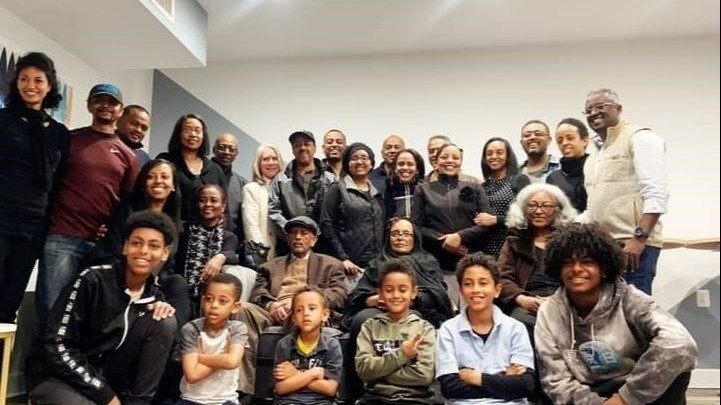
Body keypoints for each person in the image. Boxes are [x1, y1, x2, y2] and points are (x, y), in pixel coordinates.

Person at [27, 210, 179, 404]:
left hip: (103, 379)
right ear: (125, 246)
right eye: (136, 243)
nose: (143, 251)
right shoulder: (92, 279)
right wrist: (105, 395)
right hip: (58, 376)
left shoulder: (154, 297)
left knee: (164, 321)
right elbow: (56, 345)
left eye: (154, 246)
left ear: (165, 253)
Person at [535, 223, 697, 404]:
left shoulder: (631, 299)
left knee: (675, 367)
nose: (577, 269)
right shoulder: (549, 311)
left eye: (587, 262)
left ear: (604, 269)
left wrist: (625, 399)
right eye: (568, 263)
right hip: (589, 390)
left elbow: (679, 343)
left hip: (636, 385)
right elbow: (556, 380)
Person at [37, 83, 138, 325]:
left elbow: (127, 204)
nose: (105, 106)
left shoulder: (128, 155)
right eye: (99, 100)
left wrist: (111, 231)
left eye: (112, 102)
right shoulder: (70, 140)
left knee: (90, 316)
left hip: (100, 247)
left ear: (120, 110)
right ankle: (45, 352)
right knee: (52, 310)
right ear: (90, 105)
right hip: (61, 237)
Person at [234, 216, 346, 396]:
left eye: (304, 233)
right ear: (287, 238)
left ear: (314, 240)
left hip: (305, 310)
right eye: (293, 233)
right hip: (274, 310)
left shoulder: (331, 264)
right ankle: (244, 390)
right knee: (243, 309)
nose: (298, 237)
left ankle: (287, 386)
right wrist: (272, 305)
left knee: (299, 314)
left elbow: (338, 295)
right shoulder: (269, 266)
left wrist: (297, 303)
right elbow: (258, 295)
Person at [0, 52, 70, 324]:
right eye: (24, 79)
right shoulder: (3, 120)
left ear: (49, 85)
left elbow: (59, 181)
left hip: (34, 225)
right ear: (16, 82)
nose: (30, 85)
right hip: (2, 216)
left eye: (38, 80)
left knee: (11, 297)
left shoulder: (59, 133)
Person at [580, 88, 669, 295]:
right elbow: (593, 207)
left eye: (600, 106)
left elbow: (656, 194)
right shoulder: (594, 155)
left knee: (634, 309)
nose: (594, 113)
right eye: (589, 110)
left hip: (633, 246)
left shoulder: (640, 137)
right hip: (602, 248)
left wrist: (639, 239)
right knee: (605, 310)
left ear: (618, 108)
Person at [436, 253, 536, 404]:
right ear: (461, 290)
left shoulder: (516, 328)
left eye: (483, 283)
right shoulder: (448, 330)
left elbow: (526, 385)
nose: (476, 289)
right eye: (468, 284)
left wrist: (475, 377)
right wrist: (505, 381)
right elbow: (450, 388)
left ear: (497, 290)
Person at [412, 143, 491, 303]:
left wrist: (459, 237)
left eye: (455, 157)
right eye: (444, 157)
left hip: (471, 261)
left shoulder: (475, 188)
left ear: (460, 162)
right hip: (437, 265)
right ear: (435, 162)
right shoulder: (423, 190)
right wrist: (445, 241)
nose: (450, 160)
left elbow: (486, 223)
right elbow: (416, 226)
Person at [342, 217, 453, 331]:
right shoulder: (376, 263)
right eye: (395, 234)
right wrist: (371, 300)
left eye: (406, 234)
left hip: (418, 309)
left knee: (410, 319)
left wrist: (411, 300)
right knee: (362, 319)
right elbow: (357, 294)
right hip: (379, 309)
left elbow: (438, 293)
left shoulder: (428, 261)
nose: (400, 238)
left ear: (415, 238)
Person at [355, 259, 436, 404]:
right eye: (389, 290)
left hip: (416, 400)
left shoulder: (425, 329)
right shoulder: (369, 326)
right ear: (380, 293)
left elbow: (424, 375)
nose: (396, 295)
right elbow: (363, 370)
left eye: (402, 290)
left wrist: (378, 373)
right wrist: (403, 354)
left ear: (413, 292)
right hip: (376, 399)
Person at [497, 183, 576, 333]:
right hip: (528, 304)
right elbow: (502, 277)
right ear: (523, 209)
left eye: (546, 206)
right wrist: (520, 298)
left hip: (567, 301)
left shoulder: (571, 239)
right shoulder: (514, 241)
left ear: (557, 210)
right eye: (532, 205)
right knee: (518, 323)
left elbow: (580, 275)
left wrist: (559, 300)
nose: (538, 211)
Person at [87, 158, 182, 265]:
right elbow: (113, 248)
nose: (158, 181)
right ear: (142, 184)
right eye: (150, 177)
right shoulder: (126, 210)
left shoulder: (174, 220)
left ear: (173, 185)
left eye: (164, 177)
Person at [320, 142, 385, 288]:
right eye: (354, 158)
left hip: (375, 266)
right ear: (347, 164)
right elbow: (326, 224)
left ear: (371, 164)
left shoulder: (378, 193)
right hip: (349, 267)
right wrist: (342, 258)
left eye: (364, 158)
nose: (360, 161)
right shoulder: (337, 188)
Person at [179, 273, 249, 405]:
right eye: (209, 299)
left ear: (235, 307)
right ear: (203, 300)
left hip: (226, 400)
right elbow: (192, 375)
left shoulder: (237, 328)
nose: (214, 305)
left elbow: (232, 362)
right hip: (191, 399)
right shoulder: (191, 329)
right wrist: (224, 358)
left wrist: (199, 357)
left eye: (222, 301)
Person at [173, 185, 242, 318]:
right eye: (203, 200)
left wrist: (220, 257)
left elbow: (232, 254)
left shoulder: (229, 236)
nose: (208, 204)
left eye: (213, 200)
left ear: (223, 206)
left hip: (210, 296)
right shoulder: (183, 230)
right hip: (182, 292)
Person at [268, 130, 335, 255]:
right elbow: (273, 211)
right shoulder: (281, 179)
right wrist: (292, 232)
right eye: (298, 145)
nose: (302, 147)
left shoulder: (330, 179)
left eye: (307, 144)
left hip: (324, 246)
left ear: (315, 148)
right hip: (289, 248)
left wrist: (317, 235)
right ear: (293, 150)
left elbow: (335, 213)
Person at [273, 287, 343, 405]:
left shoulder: (332, 345)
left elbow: (330, 389)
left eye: (312, 308)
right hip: (290, 401)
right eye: (299, 310)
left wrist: (295, 374)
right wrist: (313, 373)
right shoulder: (284, 344)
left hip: (321, 402)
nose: (305, 313)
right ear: (294, 318)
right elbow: (281, 388)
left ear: (325, 314)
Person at [157, 114, 225, 221]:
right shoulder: (166, 161)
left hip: (205, 230)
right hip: (170, 226)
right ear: (179, 133)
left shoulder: (215, 170)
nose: (193, 134)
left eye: (197, 131)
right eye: (188, 130)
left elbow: (224, 209)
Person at [477, 137, 531, 257]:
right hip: (485, 251)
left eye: (499, 152)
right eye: (489, 153)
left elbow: (527, 216)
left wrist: (497, 220)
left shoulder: (519, 180)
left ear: (508, 156)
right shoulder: (481, 187)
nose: (494, 156)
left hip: (512, 248)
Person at [242, 143, 285, 263]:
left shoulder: (287, 189)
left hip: (287, 254)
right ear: (258, 164)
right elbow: (252, 228)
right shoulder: (252, 189)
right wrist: (262, 256)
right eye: (265, 159)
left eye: (274, 158)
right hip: (265, 255)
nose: (271, 163)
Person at [547, 118, 590, 211]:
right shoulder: (553, 178)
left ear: (585, 140)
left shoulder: (597, 169)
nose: (564, 143)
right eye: (560, 141)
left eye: (570, 138)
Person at [212, 133, 249, 241]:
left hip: (231, 243)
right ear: (214, 150)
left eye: (231, 149)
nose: (226, 152)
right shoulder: (201, 176)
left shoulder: (242, 184)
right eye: (222, 147)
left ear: (236, 153)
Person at [384, 148, 426, 220]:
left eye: (410, 164)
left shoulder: (425, 190)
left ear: (417, 169)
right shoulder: (389, 191)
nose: (405, 167)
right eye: (401, 164)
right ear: (395, 169)